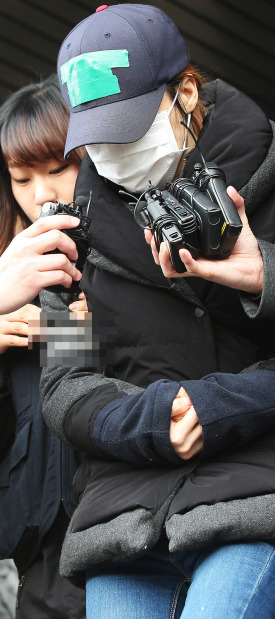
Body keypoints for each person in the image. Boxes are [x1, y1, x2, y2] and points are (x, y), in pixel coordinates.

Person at [40, 4, 275, 618]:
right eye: (94, 138)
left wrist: (232, 399)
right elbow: (63, 385)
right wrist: (145, 420)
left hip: (259, 488)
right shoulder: (66, 239)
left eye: (127, 130)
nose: (111, 152)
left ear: (186, 93)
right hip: (123, 509)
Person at [0, 76, 87, 618]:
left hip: (131, 529)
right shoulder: (8, 273)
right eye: (20, 178)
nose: (42, 195)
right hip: (37, 552)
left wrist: (82, 329)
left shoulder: (146, 248)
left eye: (58, 169)